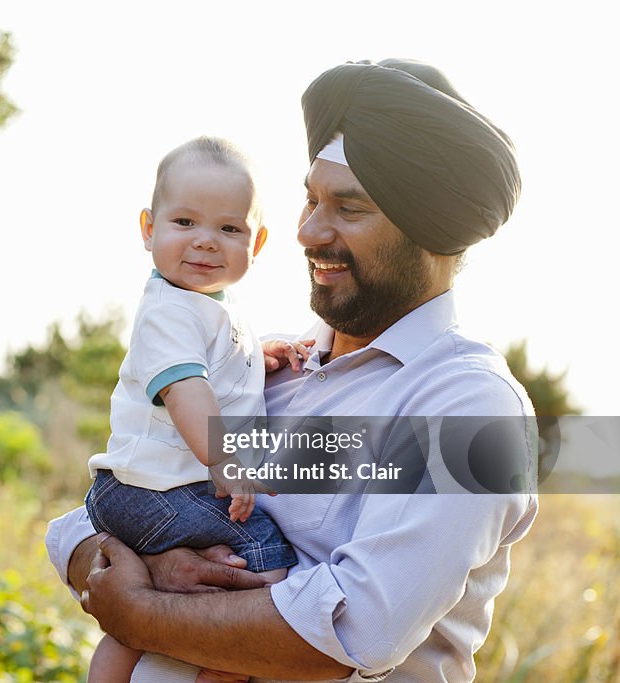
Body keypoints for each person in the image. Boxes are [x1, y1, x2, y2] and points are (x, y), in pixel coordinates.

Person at [45, 58, 539, 682]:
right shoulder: (262, 363)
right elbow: (82, 524)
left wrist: (140, 608)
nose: (307, 232)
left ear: (431, 231)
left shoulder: (471, 409)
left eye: (348, 208)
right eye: (309, 200)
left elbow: (352, 632)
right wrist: (155, 563)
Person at [83, 136, 311, 683]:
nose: (206, 242)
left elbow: (219, 368)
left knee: (138, 615)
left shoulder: (207, 306)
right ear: (148, 229)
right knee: (266, 566)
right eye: (185, 222)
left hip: (145, 489)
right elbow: (187, 388)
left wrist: (263, 357)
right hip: (157, 490)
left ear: (255, 242)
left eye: (229, 229)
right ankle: (223, 669)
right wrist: (224, 461)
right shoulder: (168, 311)